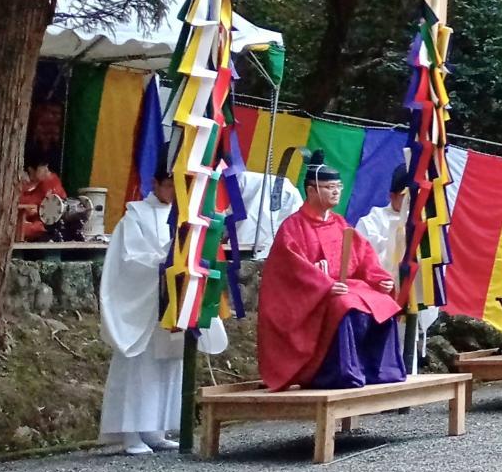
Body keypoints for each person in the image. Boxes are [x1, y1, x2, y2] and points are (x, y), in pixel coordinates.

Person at [99, 171, 228, 455]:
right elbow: (130, 259)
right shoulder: (135, 216)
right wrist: (165, 261)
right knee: (139, 367)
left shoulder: (185, 217)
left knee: (167, 366)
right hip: (146, 300)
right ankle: (131, 432)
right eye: (168, 185)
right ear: (155, 184)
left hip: (173, 298)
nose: (172, 191)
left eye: (177, 186)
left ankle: (156, 429)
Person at [257, 157, 405, 390]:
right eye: (329, 187)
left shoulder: (339, 223)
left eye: (338, 187)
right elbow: (292, 270)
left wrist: (380, 278)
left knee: (383, 303)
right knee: (344, 304)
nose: (336, 192)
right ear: (311, 190)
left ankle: (377, 371)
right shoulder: (292, 227)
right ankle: (338, 374)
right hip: (311, 298)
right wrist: (325, 286)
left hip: (343, 286)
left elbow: (363, 256)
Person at [355, 163, 437, 372]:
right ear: (393, 195)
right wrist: (397, 242)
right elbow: (364, 257)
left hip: (413, 290)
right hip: (383, 292)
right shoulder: (372, 221)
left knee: (407, 345)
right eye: (405, 196)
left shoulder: (424, 224)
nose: (410, 202)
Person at [17, 154, 66, 241]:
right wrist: (27, 211)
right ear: (31, 170)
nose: (46, 170)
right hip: (24, 230)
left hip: (47, 230)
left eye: (47, 167)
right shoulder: (19, 187)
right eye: (42, 168)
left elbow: (60, 204)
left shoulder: (51, 181)